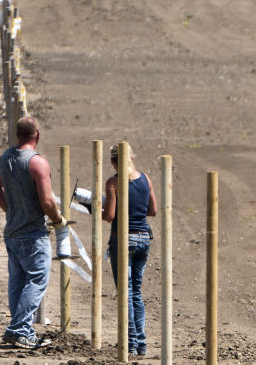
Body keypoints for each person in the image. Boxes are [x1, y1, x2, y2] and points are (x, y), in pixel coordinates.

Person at [0, 116, 62, 349]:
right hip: (33, 233)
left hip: (12, 231)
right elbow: (47, 201)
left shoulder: (6, 158)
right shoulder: (37, 163)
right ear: (37, 135)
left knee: (18, 282)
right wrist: (58, 220)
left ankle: (21, 330)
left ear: (17, 134)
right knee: (37, 280)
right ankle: (19, 330)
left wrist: (11, 210)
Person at [103, 143, 157, 356]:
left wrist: (98, 208)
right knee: (136, 292)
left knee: (125, 292)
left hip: (123, 239)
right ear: (131, 158)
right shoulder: (145, 179)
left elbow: (109, 216)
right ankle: (141, 342)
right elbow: (152, 211)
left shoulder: (113, 183)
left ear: (113, 162)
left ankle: (132, 343)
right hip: (144, 237)